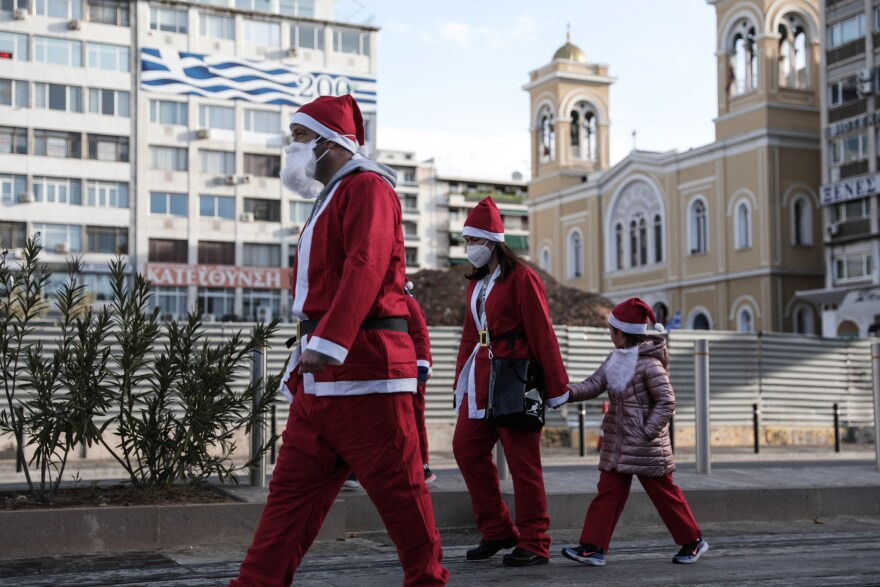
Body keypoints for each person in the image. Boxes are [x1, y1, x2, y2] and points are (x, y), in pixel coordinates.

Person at [227, 94, 448, 587]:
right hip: (323, 380)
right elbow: (323, 292)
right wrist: (309, 350)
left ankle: (428, 580)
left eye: (300, 139)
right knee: (288, 500)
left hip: (367, 374)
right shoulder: (332, 197)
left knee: (403, 500)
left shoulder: (367, 187)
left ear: (332, 143)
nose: (293, 149)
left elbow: (365, 266)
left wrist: (326, 344)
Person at [451, 197, 569, 567]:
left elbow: (542, 331)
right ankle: (498, 529)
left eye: (474, 239)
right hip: (482, 380)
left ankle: (535, 541)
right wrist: (461, 383)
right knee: (465, 448)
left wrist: (555, 386)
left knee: (523, 465)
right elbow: (470, 336)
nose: (469, 246)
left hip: (516, 379)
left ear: (492, 241)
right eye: (465, 239)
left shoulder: (523, 278)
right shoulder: (477, 284)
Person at [560, 298, 708, 567]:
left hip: (645, 445)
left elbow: (667, 401)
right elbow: (593, 384)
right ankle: (593, 547)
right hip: (618, 443)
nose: (610, 335)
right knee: (608, 492)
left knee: (664, 495)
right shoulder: (616, 359)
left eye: (611, 331)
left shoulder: (650, 365)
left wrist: (647, 432)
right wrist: (563, 394)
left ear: (621, 333)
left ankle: (693, 541)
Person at [405, 281, 436, 484]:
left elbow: (420, 334)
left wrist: (421, 370)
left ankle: (422, 465)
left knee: (415, 419)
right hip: (398, 371)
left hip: (411, 372)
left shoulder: (406, 300)